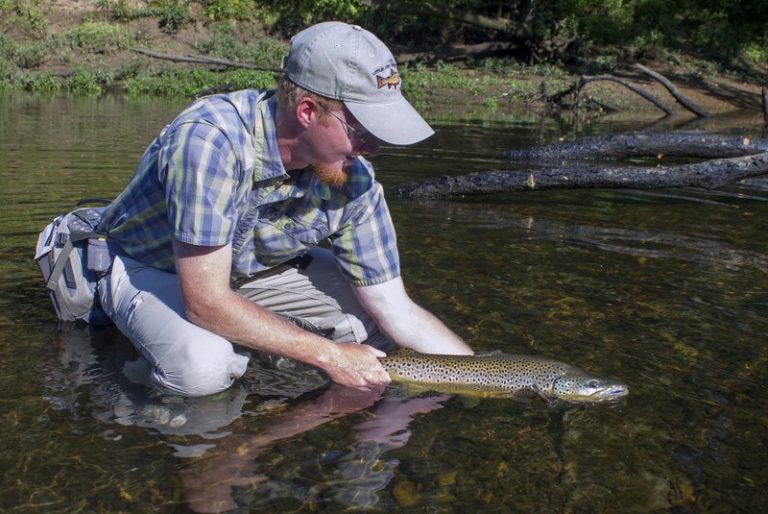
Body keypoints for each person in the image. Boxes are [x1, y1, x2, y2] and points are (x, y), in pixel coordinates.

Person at [95, 21, 473, 397]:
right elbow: (205, 302)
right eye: (364, 131)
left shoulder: (353, 181)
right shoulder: (212, 142)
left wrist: (484, 378)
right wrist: (330, 356)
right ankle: (128, 398)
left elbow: (397, 310)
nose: (373, 149)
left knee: (365, 325)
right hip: (140, 263)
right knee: (204, 367)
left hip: (234, 275)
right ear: (308, 111)